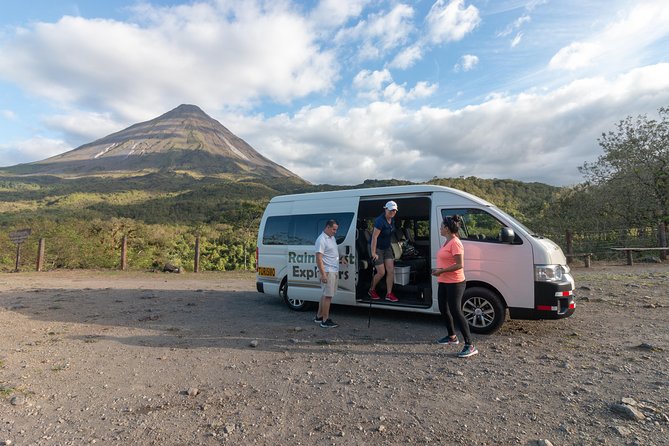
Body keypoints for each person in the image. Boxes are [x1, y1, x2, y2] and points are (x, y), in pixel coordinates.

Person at [432, 215, 478, 358]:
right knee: (443, 309)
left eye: (441, 226)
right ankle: (452, 337)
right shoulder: (447, 242)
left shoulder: (456, 243)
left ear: (446, 228)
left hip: (455, 283)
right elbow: (447, 261)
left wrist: (441, 271)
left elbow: (459, 265)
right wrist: (439, 271)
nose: (439, 228)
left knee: (456, 311)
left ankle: (470, 345)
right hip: (444, 281)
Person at [314, 219, 347, 328]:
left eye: (336, 229)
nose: (335, 232)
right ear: (327, 227)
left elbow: (333, 252)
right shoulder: (321, 239)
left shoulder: (331, 238)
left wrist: (341, 258)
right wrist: (323, 274)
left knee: (324, 295)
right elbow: (318, 258)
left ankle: (319, 316)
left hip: (333, 269)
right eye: (333, 229)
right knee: (328, 296)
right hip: (327, 271)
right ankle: (325, 320)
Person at [368, 200, 399, 302]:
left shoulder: (392, 219)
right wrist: (373, 253)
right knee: (381, 272)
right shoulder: (380, 221)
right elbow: (374, 238)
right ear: (385, 209)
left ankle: (389, 294)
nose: (392, 212)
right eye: (390, 210)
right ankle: (371, 289)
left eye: (394, 211)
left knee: (390, 270)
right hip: (377, 247)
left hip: (387, 247)